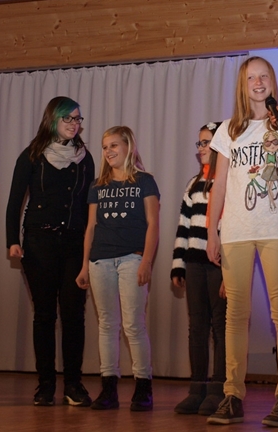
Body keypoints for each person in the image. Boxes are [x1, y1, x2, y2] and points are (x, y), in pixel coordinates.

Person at [205, 56, 278, 428]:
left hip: (276, 230)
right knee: (235, 315)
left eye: (264, 76)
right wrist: (211, 232)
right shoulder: (228, 130)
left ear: (273, 82)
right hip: (235, 232)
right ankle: (232, 396)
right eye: (252, 77)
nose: (259, 82)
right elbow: (218, 185)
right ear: (243, 84)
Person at [6, 96, 94, 407]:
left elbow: (89, 206)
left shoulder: (84, 158)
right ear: (52, 119)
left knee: (74, 315)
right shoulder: (32, 155)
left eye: (78, 119)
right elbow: (15, 201)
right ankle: (45, 385)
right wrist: (12, 240)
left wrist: (90, 249)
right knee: (44, 315)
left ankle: (73, 384)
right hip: (39, 243)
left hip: (74, 244)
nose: (74, 124)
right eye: (68, 118)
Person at [76, 125, 159, 412]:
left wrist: (146, 261)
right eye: (105, 147)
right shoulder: (97, 186)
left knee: (133, 325)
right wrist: (84, 266)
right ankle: (108, 388)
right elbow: (90, 228)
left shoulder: (145, 181)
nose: (108, 151)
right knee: (107, 325)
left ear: (128, 147)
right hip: (100, 260)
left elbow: (153, 224)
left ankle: (143, 387)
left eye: (114, 145)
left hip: (131, 259)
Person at [171, 121, 227, 416]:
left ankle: (219, 389)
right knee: (197, 327)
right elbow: (183, 226)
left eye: (206, 143)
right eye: (199, 143)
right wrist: (178, 264)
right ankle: (197, 388)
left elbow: (231, 229)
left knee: (221, 327)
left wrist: (229, 270)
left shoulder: (229, 182)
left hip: (218, 265)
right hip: (193, 264)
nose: (201, 148)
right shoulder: (194, 184)